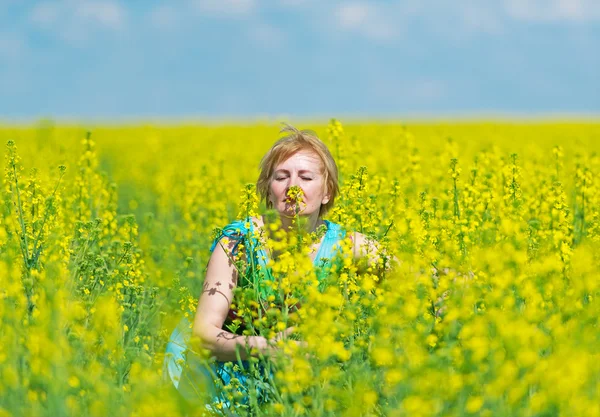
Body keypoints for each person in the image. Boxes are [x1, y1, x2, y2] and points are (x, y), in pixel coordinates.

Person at [164, 124, 382, 411]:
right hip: (216, 370)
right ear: (268, 191)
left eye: (306, 177)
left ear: (327, 192)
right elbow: (203, 333)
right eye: (282, 177)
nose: (293, 186)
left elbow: (418, 276)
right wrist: (267, 348)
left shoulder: (347, 246)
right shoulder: (238, 242)